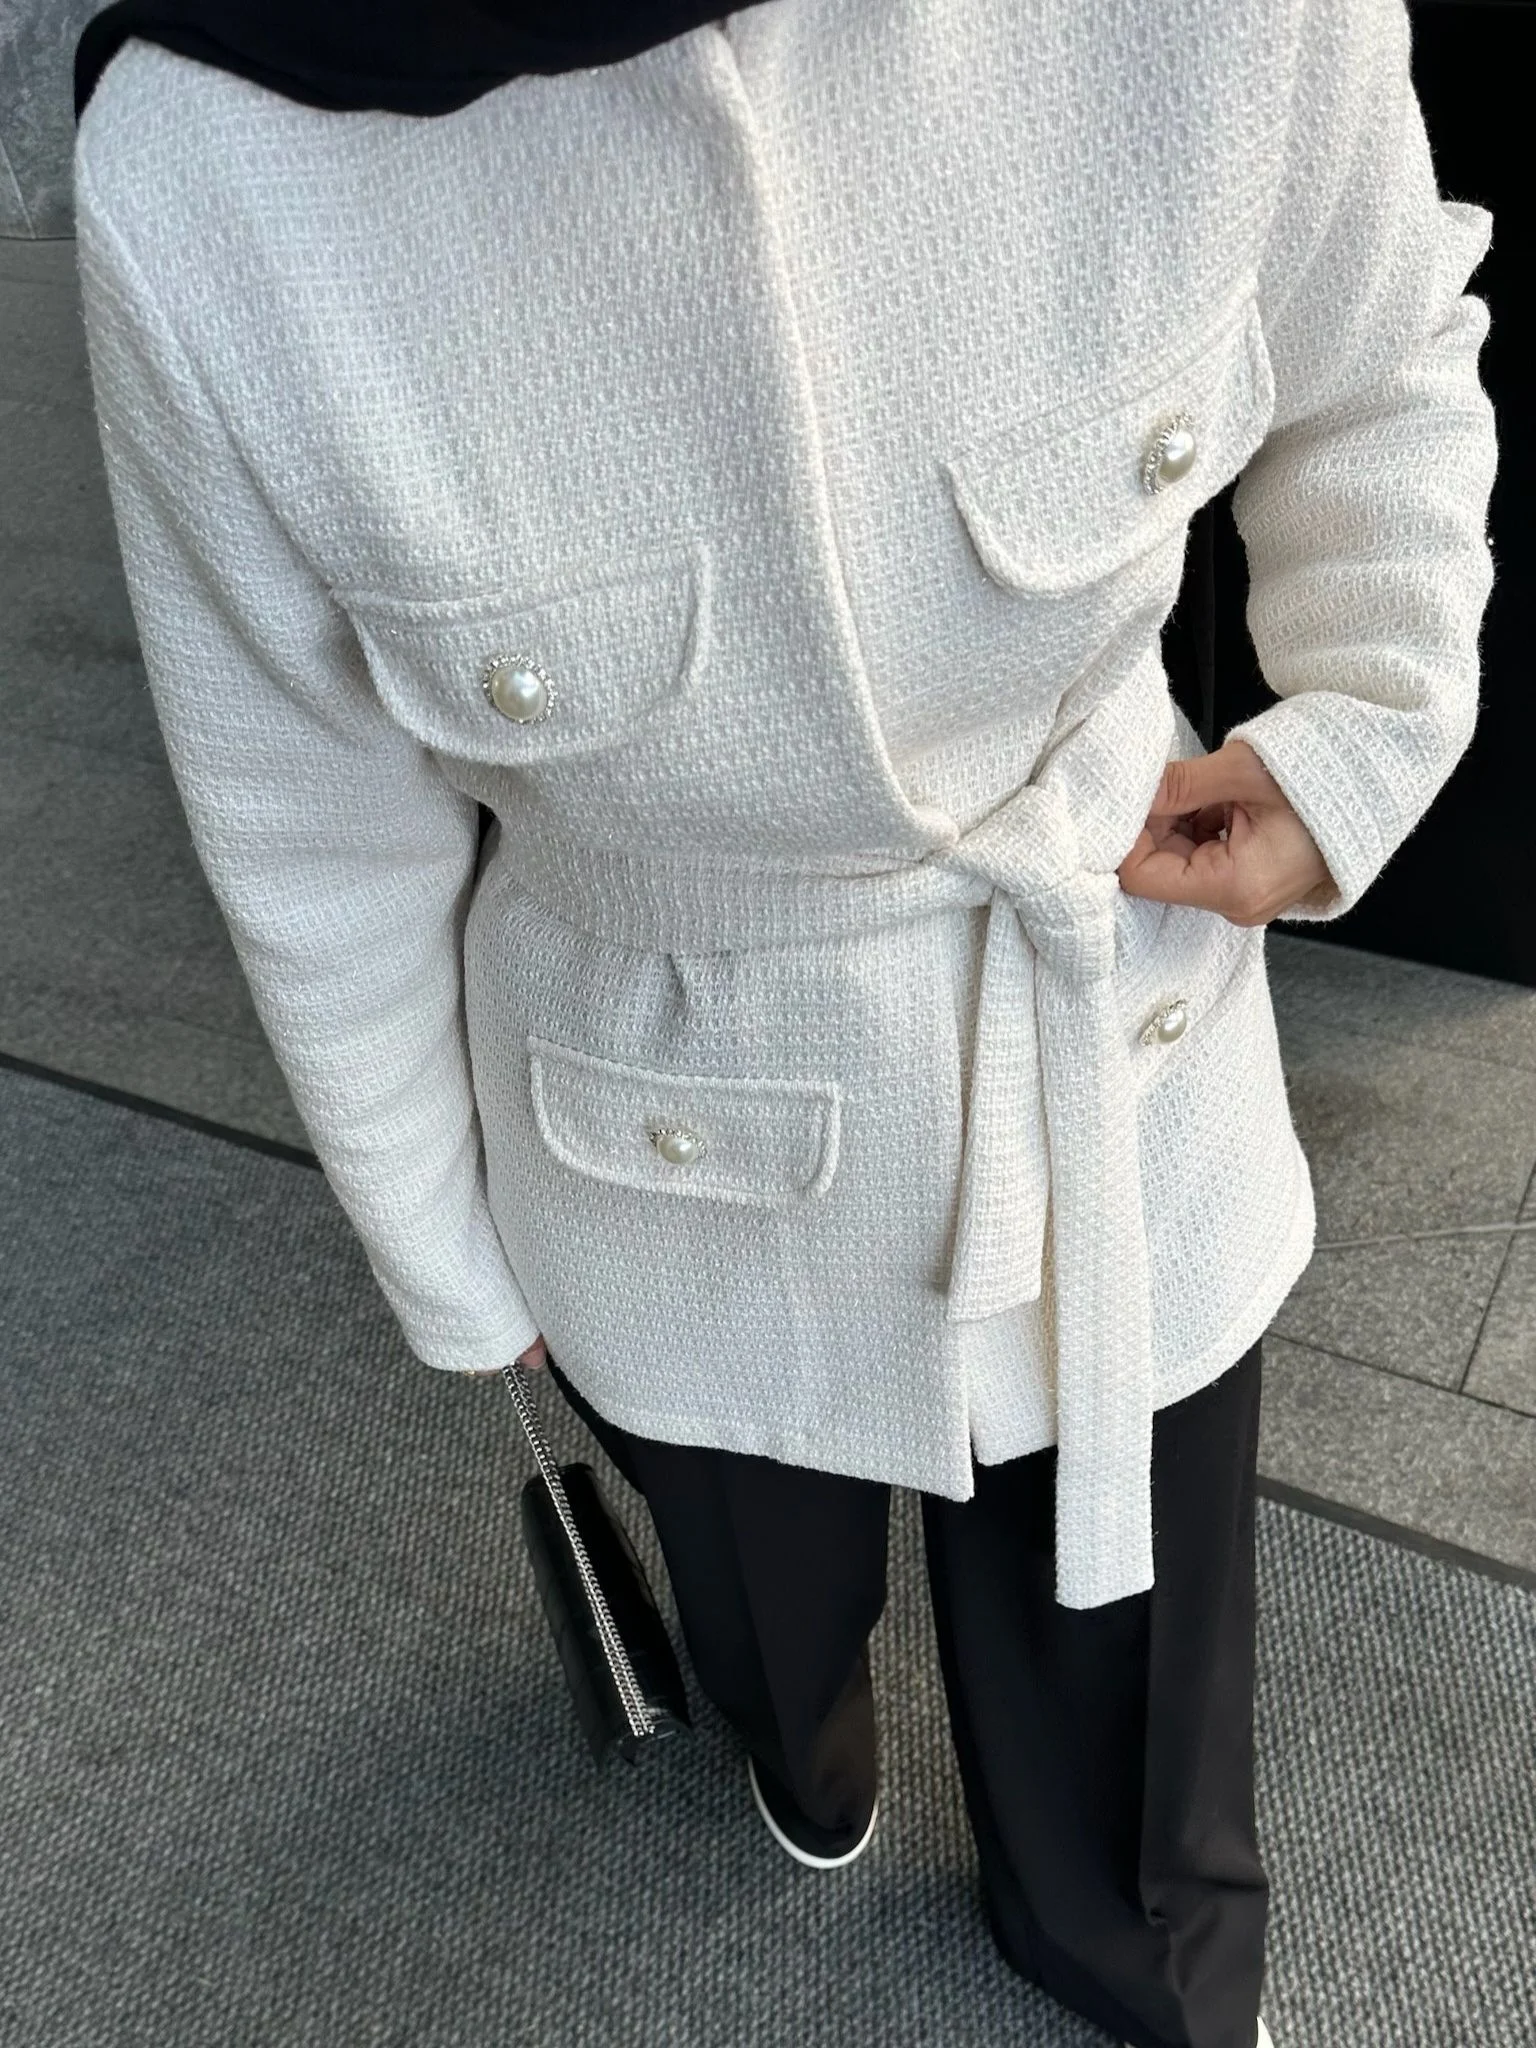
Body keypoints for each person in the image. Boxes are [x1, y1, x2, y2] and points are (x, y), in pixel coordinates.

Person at [72, 4, 1496, 2043]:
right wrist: (446, 1248)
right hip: (658, 1111)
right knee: (757, 1592)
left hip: (1107, 1017)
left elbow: (1375, 340)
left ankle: (1140, 1962)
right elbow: (307, 815)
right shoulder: (207, 167)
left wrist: (1366, 718)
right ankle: (796, 1740)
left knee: (1139, 1657)